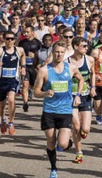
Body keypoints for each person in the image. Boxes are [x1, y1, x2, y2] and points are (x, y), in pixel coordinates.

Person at [34, 40, 84, 178]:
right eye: (56, 52)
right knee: (51, 142)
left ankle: (68, 142)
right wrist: (45, 93)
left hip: (65, 110)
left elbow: (81, 79)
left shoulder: (71, 68)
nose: (59, 54)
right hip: (49, 111)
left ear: (64, 53)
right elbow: (35, 91)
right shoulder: (44, 70)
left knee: (61, 143)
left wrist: (78, 95)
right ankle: (54, 168)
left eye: (62, 52)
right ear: (52, 53)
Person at [0, 31, 26, 135]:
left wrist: (23, 67)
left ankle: (11, 123)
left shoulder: (19, 50)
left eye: (12, 39)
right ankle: (3, 119)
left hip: (14, 80)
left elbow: (23, 57)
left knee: (11, 100)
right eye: (7, 38)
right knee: (2, 104)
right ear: (4, 39)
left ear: (15, 40)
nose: (10, 41)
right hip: (1, 81)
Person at [67, 37, 96, 164]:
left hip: (85, 95)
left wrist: (93, 87)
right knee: (76, 126)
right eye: (83, 46)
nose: (86, 48)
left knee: (86, 129)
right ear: (75, 46)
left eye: (87, 46)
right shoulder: (67, 62)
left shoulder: (89, 59)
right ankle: (79, 152)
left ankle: (81, 134)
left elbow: (93, 73)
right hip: (71, 96)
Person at [19, 25, 42, 112]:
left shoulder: (38, 43)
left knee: (32, 85)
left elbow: (42, 55)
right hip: (25, 67)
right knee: (25, 84)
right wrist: (20, 66)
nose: (25, 34)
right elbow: (19, 54)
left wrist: (36, 56)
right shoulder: (22, 43)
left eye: (27, 32)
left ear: (32, 32)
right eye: (24, 32)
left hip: (34, 67)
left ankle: (31, 90)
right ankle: (25, 103)